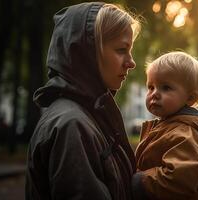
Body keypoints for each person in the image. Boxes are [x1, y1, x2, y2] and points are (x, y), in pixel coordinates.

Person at [25, 2, 140, 200]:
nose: (131, 62)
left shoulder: (87, 116)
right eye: (122, 49)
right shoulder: (72, 125)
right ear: (87, 51)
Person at [132, 51, 198, 200]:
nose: (154, 94)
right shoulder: (167, 126)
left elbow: (178, 179)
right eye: (151, 87)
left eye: (165, 88)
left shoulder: (186, 133)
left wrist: (139, 182)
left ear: (190, 98)